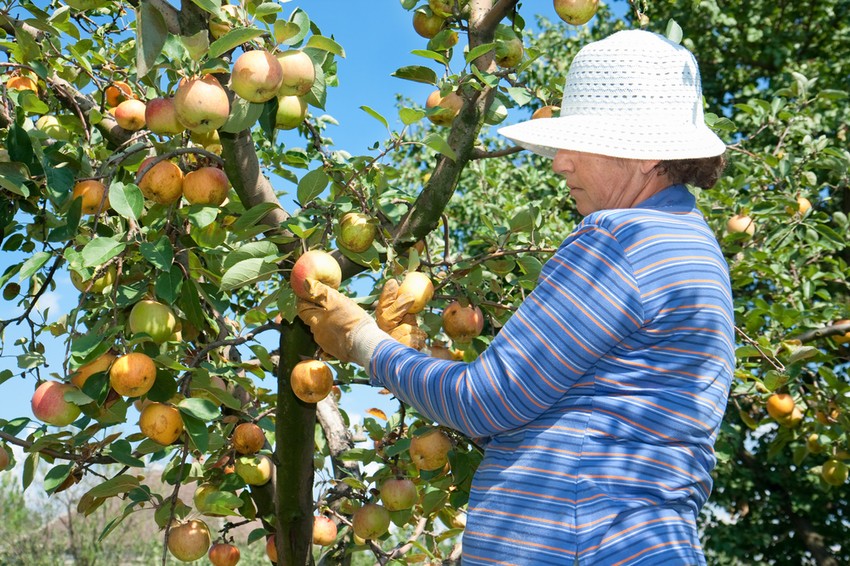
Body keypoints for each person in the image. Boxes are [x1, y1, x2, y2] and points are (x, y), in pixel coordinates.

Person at [298, 29, 734, 565]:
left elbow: (483, 401)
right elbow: (560, 411)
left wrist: (360, 339)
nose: (559, 163)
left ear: (641, 153)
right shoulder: (689, 247)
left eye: (578, 144)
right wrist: (419, 354)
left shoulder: (622, 239)